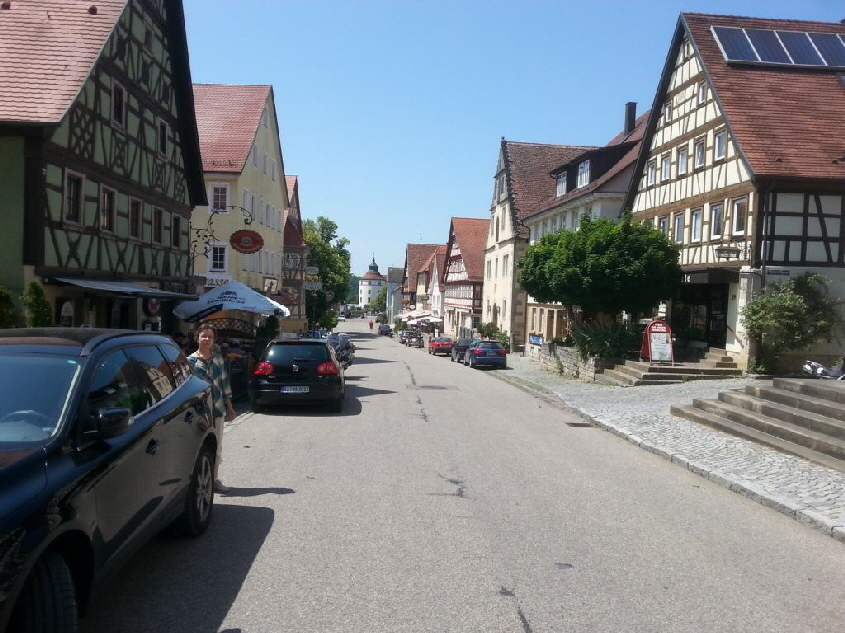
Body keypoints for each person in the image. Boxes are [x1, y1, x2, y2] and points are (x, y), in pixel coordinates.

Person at [187, 323, 236, 494]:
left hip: (217, 409)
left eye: (210, 336)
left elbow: (224, 383)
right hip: (200, 412)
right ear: (197, 338)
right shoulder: (190, 361)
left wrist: (230, 406)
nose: (207, 339)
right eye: (204, 336)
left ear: (214, 340)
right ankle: (197, 481)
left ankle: (214, 479)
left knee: (217, 446)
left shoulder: (217, 359)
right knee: (198, 446)